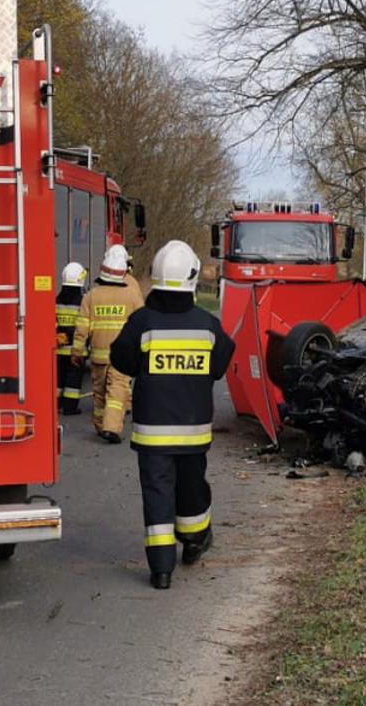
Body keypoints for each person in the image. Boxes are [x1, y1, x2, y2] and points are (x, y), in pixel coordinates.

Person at [108, 240, 235, 589]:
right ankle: (194, 541)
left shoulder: (142, 322)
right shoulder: (207, 325)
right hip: (193, 431)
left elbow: (121, 360)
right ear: (192, 279)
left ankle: (161, 570)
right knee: (192, 489)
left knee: (157, 494)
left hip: (152, 433)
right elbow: (221, 362)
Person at [72, 244, 145, 443]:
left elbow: (82, 328)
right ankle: (111, 428)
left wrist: (77, 352)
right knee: (117, 391)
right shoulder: (132, 295)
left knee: (99, 393)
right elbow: (141, 324)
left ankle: (100, 426)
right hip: (123, 356)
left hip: (98, 356)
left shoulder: (91, 296)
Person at [55, 262, 89, 413]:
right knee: (73, 382)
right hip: (76, 349)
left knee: (58, 380)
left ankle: (56, 404)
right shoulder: (83, 301)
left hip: (58, 348)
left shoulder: (57, 299)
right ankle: (70, 407)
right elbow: (84, 326)